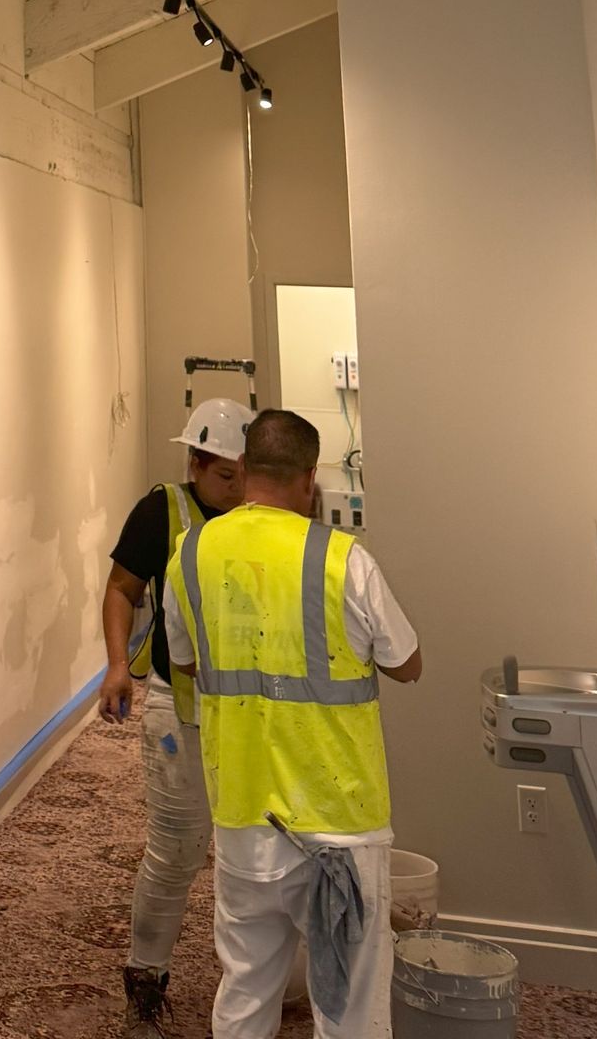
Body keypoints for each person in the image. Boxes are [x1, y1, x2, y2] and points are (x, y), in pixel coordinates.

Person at [166, 408, 422, 1039]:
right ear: (311, 478)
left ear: (246, 468)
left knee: (246, 987)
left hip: (243, 817)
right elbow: (406, 664)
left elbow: (185, 659)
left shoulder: (191, 553)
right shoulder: (342, 559)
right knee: (353, 1009)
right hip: (338, 823)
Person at [98, 395, 253, 1025]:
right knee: (179, 847)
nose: (237, 486)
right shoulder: (162, 510)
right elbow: (121, 589)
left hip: (250, 711)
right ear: (195, 462)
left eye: (244, 472)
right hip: (176, 704)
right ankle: (145, 973)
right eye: (224, 474)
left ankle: (257, 982)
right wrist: (116, 665)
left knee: (255, 851)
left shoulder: (259, 518)